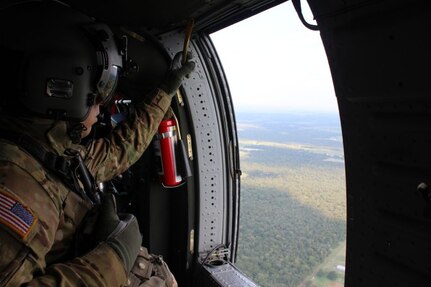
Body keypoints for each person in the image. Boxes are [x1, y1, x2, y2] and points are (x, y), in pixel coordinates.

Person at [0, 1, 195, 286]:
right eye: (99, 89)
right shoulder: (17, 187)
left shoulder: (53, 153)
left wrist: (165, 90)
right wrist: (114, 256)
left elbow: (121, 149)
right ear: (62, 88)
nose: (103, 106)